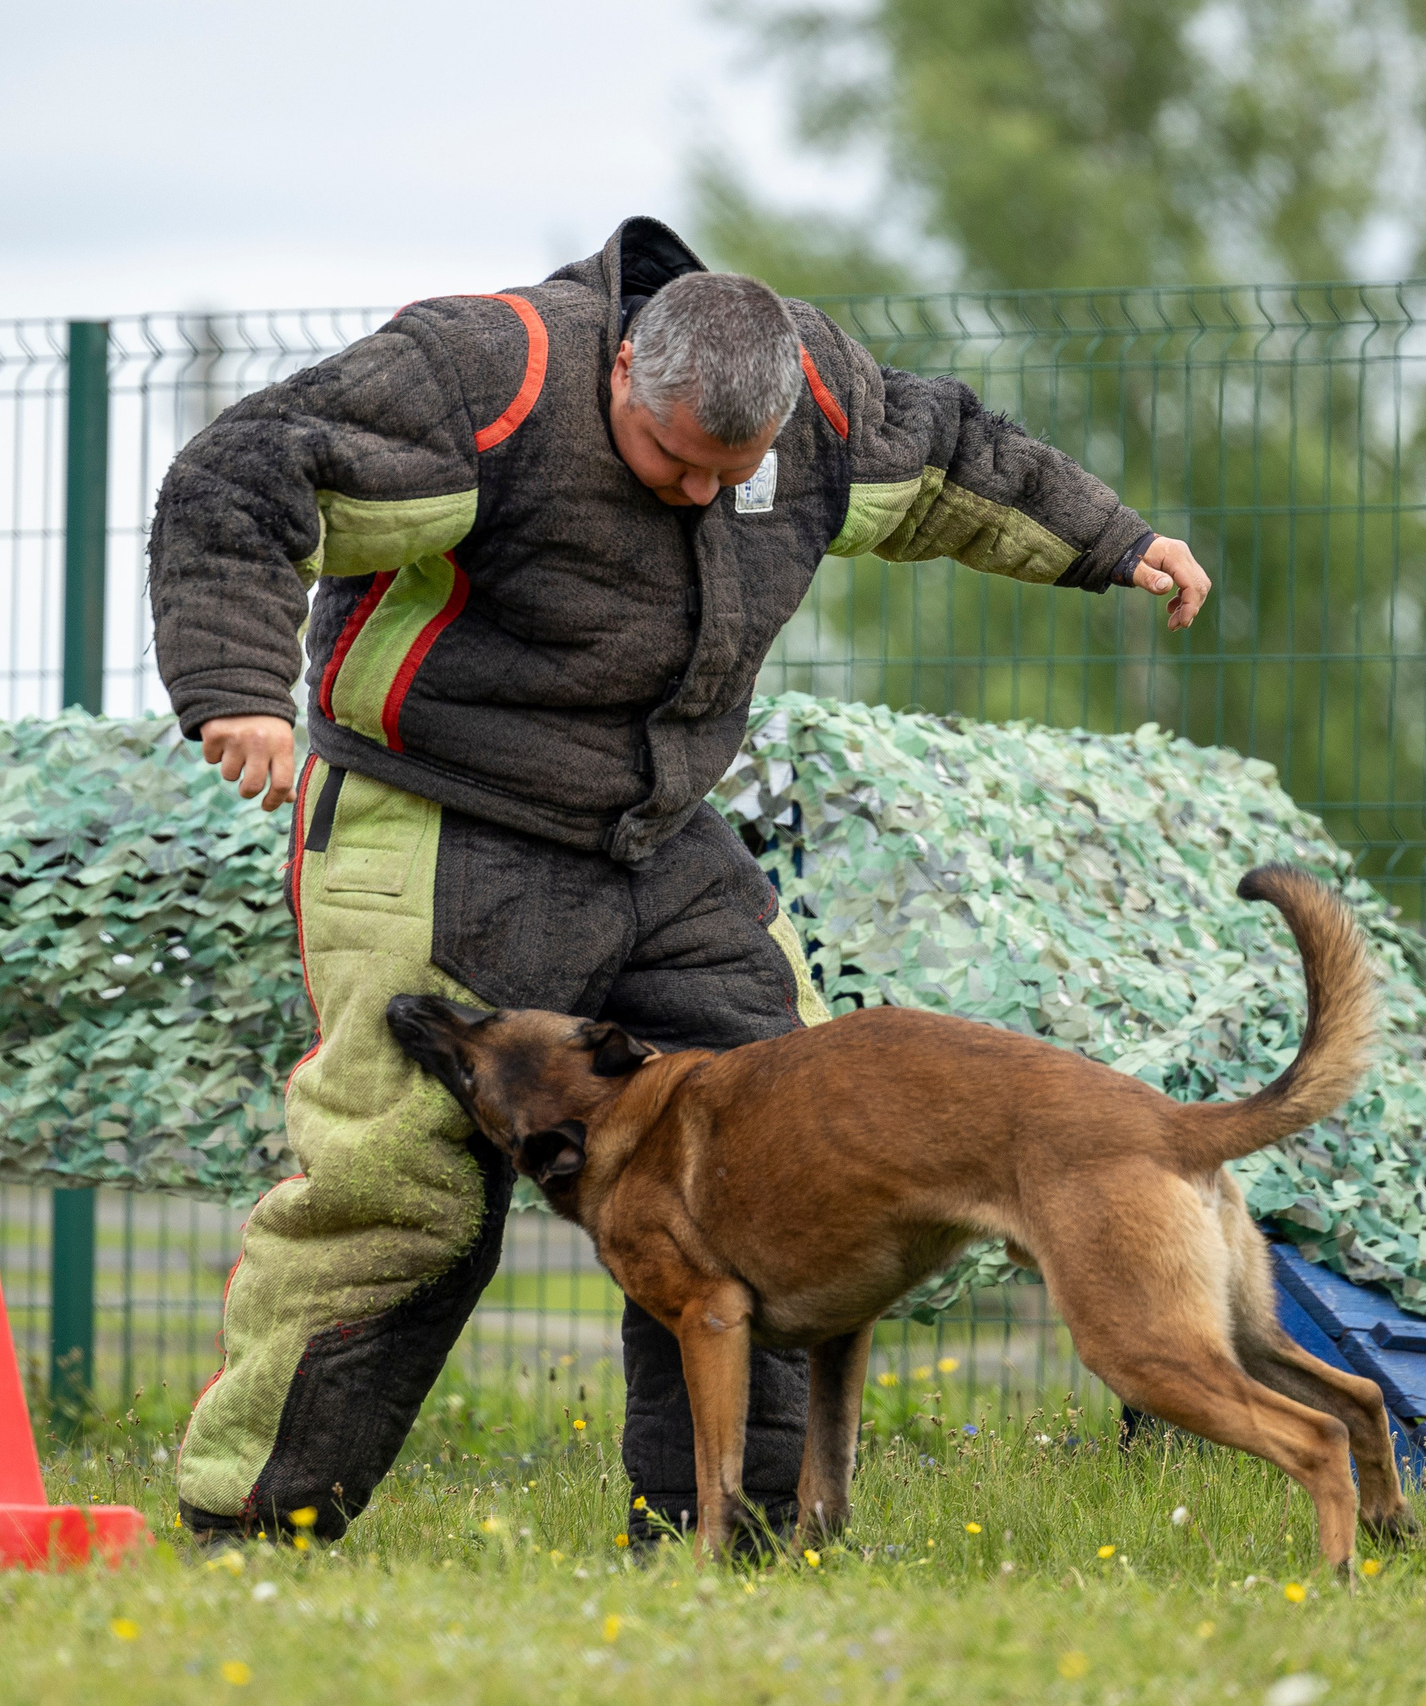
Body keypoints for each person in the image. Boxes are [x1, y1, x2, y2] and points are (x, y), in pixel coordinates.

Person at [149, 215, 1212, 1550]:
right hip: (439, 818)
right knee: (406, 1190)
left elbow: (946, 462)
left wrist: (1116, 541)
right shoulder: (485, 377)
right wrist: (236, 689)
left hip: (657, 833)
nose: (707, 493)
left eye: (737, 470)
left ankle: (734, 1536)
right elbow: (245, 477)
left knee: (794, 1142)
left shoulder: (814, 402)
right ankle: (253, 1525)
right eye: (675, 460)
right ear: (623, 376)